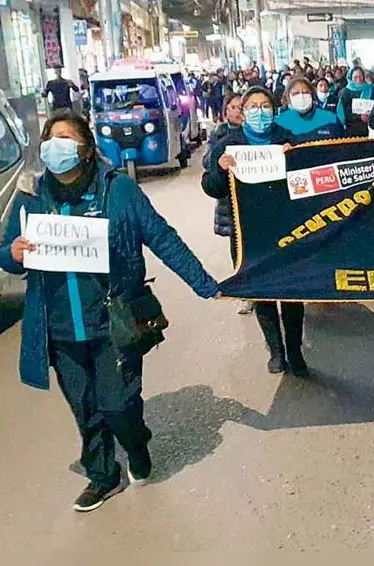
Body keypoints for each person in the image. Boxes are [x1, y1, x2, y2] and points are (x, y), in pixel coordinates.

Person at [0, 110, 219, 512]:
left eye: (65, 139)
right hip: (60, 327)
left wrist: (206, 285)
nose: (55, 147)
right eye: (50, 139)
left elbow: (162, 238)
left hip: (113, 323)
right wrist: (12, 254)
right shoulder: (32, 198)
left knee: (118, 406)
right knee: (85, 407)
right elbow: (7, 251)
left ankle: (136, 445)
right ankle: (103, 475)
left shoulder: (118, 192)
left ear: (85, 150)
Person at [204, 87, 308, 377]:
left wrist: (295, 161)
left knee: (290, 292)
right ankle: (276, 351)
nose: (259, 111)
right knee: (262, 290)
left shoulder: (288, 138)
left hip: (285, 228)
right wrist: (220, 170)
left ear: (274, 110)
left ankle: (296, 351)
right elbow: (211, 187)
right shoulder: (228, 144)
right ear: (243, 111)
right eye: (253, 106)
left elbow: (308, 183)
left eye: (265, 106)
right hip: (247, 231)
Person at [201, 93, 252, 316]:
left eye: (242, 106)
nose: (239, 110)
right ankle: (245, 294)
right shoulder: (219, 135)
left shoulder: (255, 134)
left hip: (254, 201)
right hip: (230, 204)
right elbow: (207, 163)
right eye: (234, 107)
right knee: (238, 249)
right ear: (226, 111)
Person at [275, 77, 345, 143]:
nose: (301, 96)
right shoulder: (280, 122)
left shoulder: (331, 118)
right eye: (295, 93)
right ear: (288, 98)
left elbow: (341, 144)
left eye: (305, 92)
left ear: (312, 95)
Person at [336, 66, 374, 138]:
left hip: (369, 129)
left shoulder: (371, 89)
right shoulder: (345, 92)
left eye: (360, 76)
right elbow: (343, 112)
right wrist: (359, 117)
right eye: (355, 77)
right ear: (350, 78)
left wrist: (370, 115)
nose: (358, 79)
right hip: (351, 130)